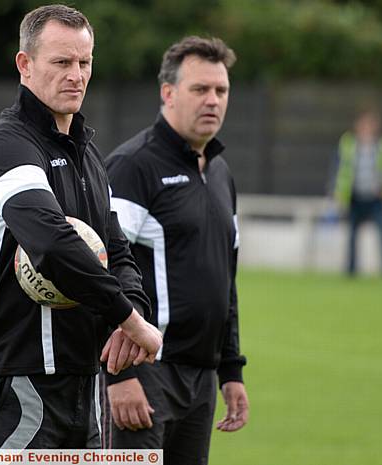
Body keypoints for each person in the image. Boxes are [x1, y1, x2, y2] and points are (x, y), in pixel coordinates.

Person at [0, 4, 163, 449]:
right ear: (25, 65)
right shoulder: (5, 145)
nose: (76, 74)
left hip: (83, 382)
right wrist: (129, 320)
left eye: (84, 62)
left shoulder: (89, 156)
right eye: (61, 62)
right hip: (14, 381)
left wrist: (132, 307)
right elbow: (53, 245)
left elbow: (117, 249)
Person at [103, 36, 249, 464]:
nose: (213, 101)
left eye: (221, 90)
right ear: (168, 93)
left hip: (201, 381)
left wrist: (231, 370)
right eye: (200, 89)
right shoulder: (132, 166)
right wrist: (120, 376)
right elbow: (100, 271)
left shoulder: (221, 173)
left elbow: (226, 281)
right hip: (146, 376)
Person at [332, 108, 382, 277]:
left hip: (376, 199)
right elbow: (340, 169)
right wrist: (337, 191)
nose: (367, 128)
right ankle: (350, 271)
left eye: (370, 125)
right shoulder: (349, 145)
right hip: (355, 198)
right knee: (351, 238)